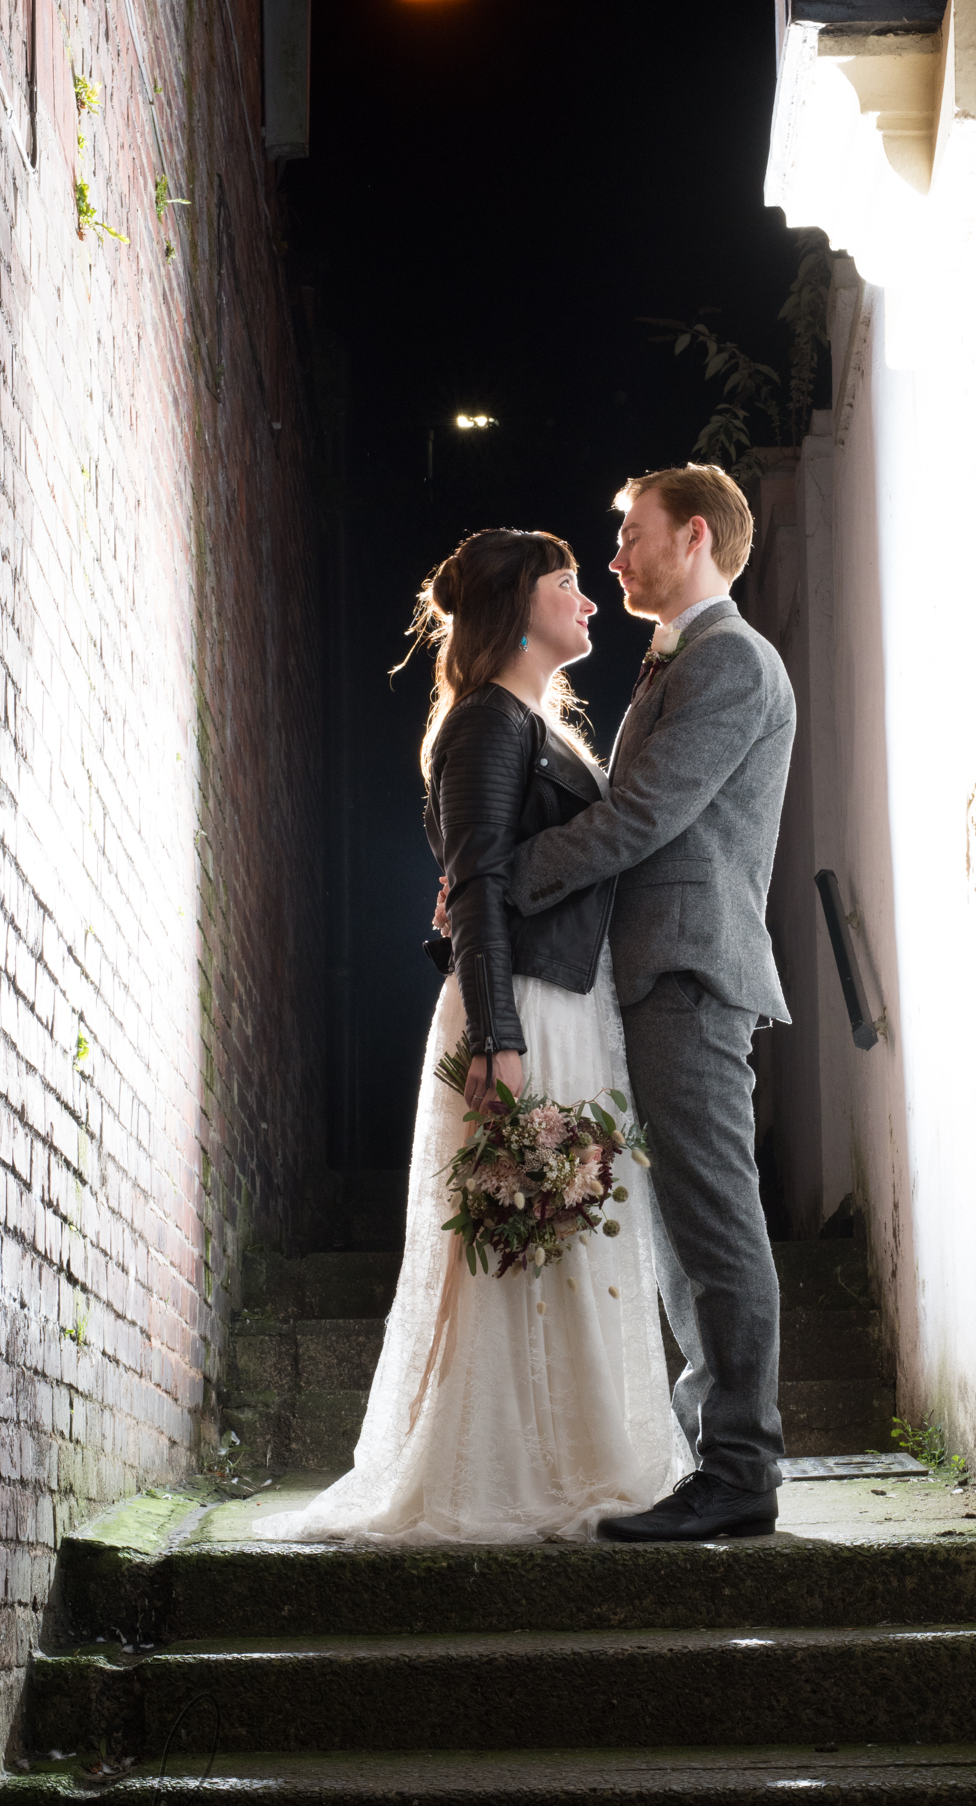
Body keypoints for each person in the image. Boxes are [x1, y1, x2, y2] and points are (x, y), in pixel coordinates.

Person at [259, 529, 690, 1545]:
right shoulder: (487, 724)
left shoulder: (529, 719)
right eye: (566, 583)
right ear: (515, 605)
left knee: (563, 1232)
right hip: (521, 1007)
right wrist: (497, 1036)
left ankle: (571, 1450)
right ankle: (502, 1466)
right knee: (518, 1237)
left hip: (557, 998)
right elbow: (483, 883)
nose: (588, 600)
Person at [508, 464, 797, 1543]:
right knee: (680, 1226)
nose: (615, 556)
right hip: (655, 973)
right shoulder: (684, 657)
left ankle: (740, 1470)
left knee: (713, 1220)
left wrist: (511, 876)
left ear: (694, 534)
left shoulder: (729, 661)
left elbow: (640, 818)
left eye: (629, 534)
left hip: (691, 970)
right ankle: (713, 1459)